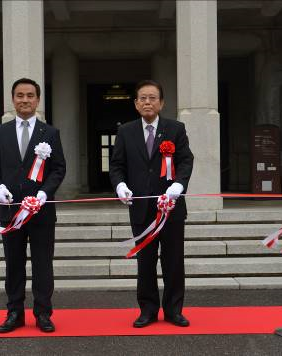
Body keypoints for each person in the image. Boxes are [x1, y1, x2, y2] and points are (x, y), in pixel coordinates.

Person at [109, 79, 194, 328]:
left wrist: (178, 186)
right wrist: (120, 186)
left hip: (171, 209)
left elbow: (186, 161)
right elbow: (116, 166)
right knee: (145, 263)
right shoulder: (125, 131)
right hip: (141, 210)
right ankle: (147, 310)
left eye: (152, 98)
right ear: (136, 104)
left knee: (174, 262)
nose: (147, 102)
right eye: (143, 98)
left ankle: (174, 310)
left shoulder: (176, 129)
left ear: (161, 102)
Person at [0, 78, 66, 333]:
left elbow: (58, 169)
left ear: (38, 100)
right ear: (13, 99)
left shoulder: (50, 133)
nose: (25, 100)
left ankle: (43, 313)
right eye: (20, 95)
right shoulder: (0, 132)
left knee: (43, 264)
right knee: (13, 263)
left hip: (41, 212)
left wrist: (44, 193)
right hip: (10, 212)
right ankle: (14, 312)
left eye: (30, 95)